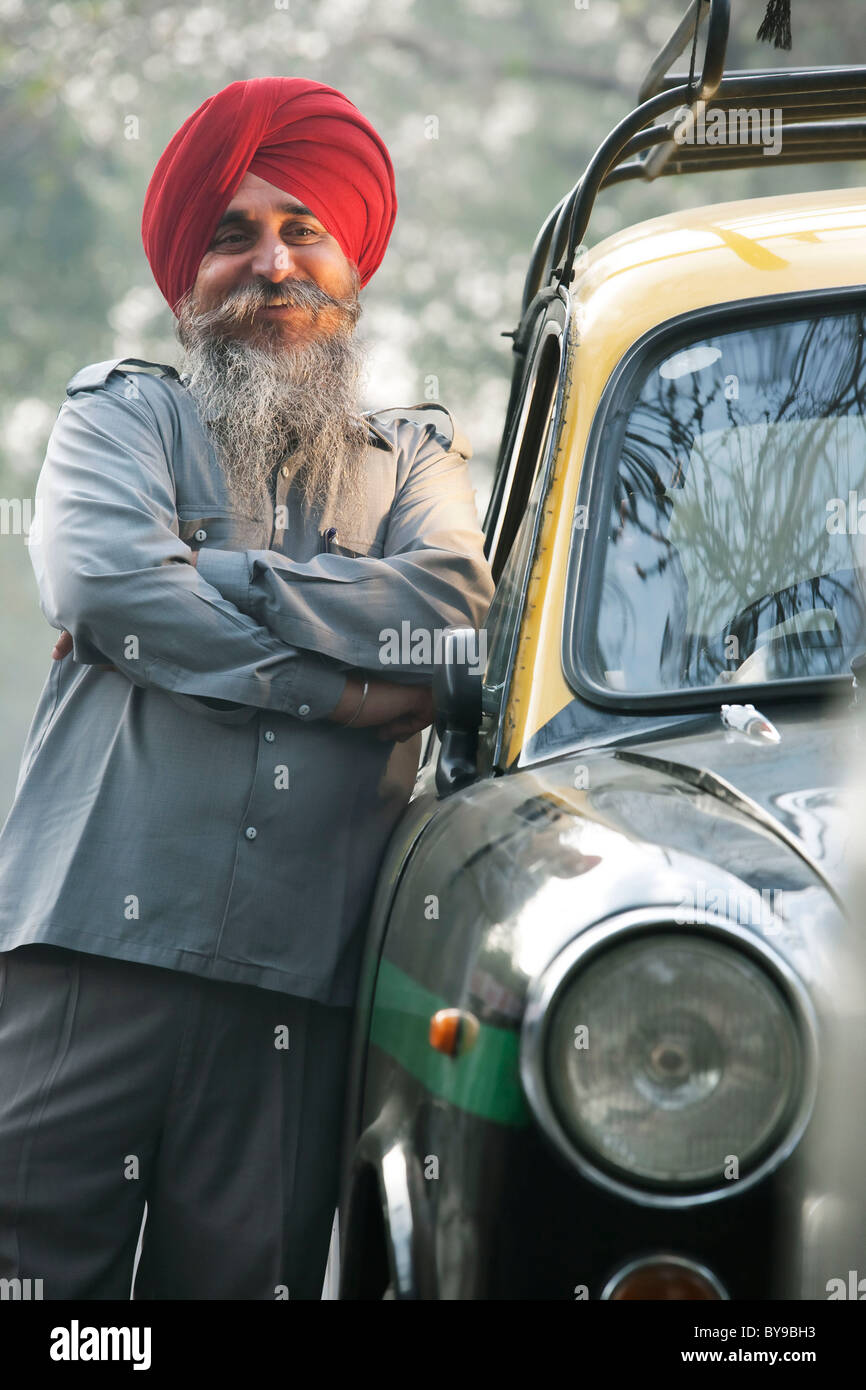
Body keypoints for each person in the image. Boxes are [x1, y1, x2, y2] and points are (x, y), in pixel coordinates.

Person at [0, 75, 495, 1300]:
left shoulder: (419, 462)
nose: (270, 263)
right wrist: (346, 693)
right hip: (83, 963)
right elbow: (109, 589)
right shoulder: (124, 420)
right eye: (231, 234)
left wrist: (213, 576)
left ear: (349, 273)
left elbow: (449, 612)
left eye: (300, 231)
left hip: (296, 992)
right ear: (185, 282)